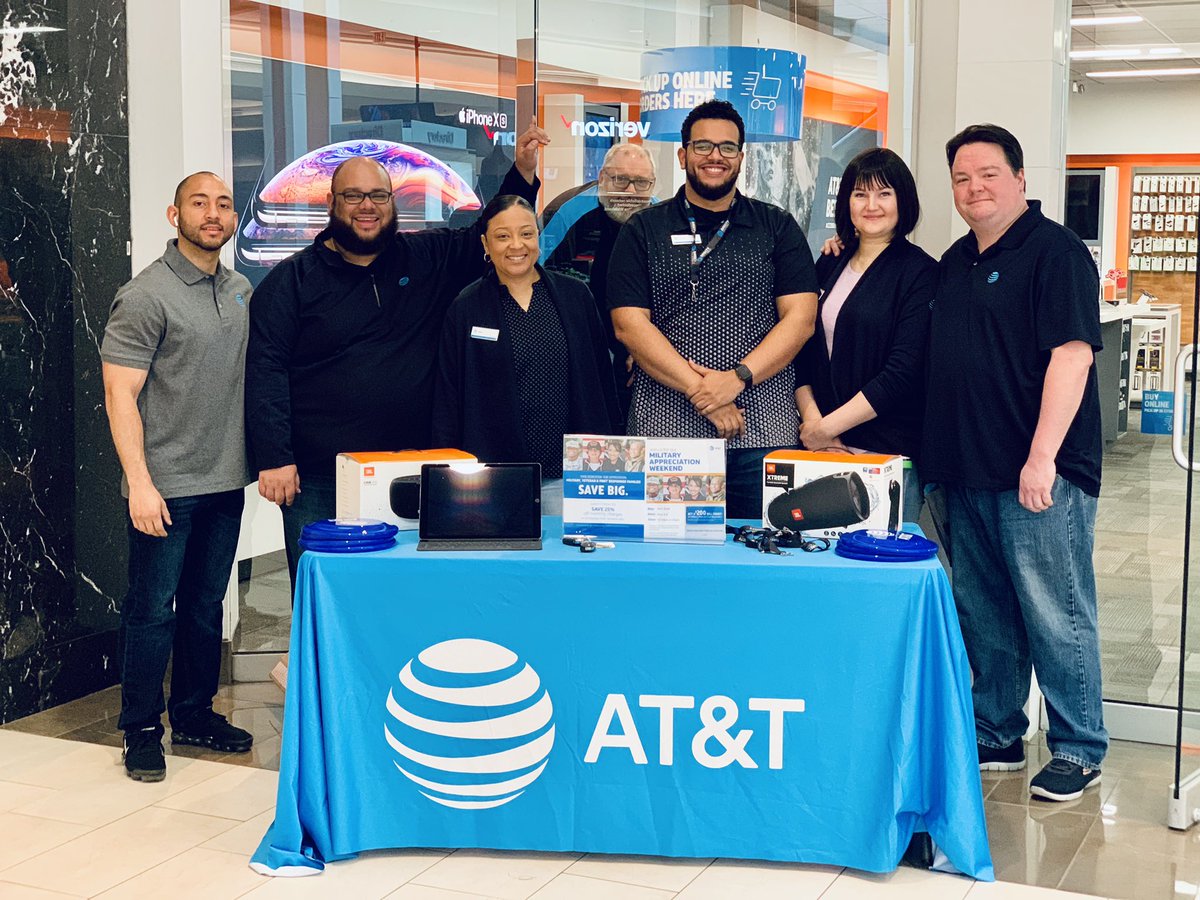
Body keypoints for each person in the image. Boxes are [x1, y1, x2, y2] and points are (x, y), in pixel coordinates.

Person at [246, 120, 548, 590]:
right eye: (353, 196)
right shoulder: (290, 283)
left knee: (404, 593)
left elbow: (480, 239)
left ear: (392, 202)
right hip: (321, 476)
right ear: (331, 203)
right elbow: (264, 371)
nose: (367, 207)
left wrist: (522, 173)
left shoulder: (422, 258)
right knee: (326, 592)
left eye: (378, 196)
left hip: (412, 469)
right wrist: (274, 457)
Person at [923, 124, 1107, 802]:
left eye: (989, 174)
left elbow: (1073, 356)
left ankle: (1080, 746)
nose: (975, 188)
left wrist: (1041, 459)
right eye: (963, 178)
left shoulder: (1053, 251)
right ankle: (996, 730)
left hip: (1039, 474)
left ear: (1020, 179)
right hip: (968, 469)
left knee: (1056, 611)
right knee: (987, 611)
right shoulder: (955, 261)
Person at [101, 172, 254, 782]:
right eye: (199, 203)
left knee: (203, 607)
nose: (212, 214)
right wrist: (138, 482)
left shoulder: (241, 288)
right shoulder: (145, 295)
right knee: (151, 611)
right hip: (163, 489)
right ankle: (140, 729)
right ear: (174, 214)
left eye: (222, 204)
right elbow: (119, 394)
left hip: (224, 482)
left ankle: (194, 712)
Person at [609, 100, 819, 520]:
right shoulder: (643, 229)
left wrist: (737, 379)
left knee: (766, 563)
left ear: (741, 157)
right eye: (703, 146)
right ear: (683, 154)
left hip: (762, 429)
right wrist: (704, 393)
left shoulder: (776, 227)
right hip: (666, 435)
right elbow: (629, 326)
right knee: (669, 567)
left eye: (727, 147)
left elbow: (801, 320)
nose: (715, 157)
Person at [431, 195, 619, 515]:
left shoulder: (576, 297)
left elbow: (602, 383)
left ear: (538, 238)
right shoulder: (466, 307)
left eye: (526, 233)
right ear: (485, 244)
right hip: (496, 480)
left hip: (571, 478)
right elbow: (448, 400)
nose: (517, 245)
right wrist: (446, 474)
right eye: (503, 236)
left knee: (570, 564)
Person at [793, 148, 936, 517]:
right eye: (860, 194)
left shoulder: (920, 273)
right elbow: (804, 351)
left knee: (879, 565)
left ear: (903, 201)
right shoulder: (829, 260)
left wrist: (827, 428)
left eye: (884, 194)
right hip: (820, 448)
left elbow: (902, 372)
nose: (872, 205)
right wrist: (813, 424)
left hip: (884, 452)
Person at [545, 144, 658, 417]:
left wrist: (649, 350)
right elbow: (537, 278)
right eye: (621, 180)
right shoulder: (567, 212)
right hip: (575, 345)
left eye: (641, 183)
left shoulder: (659, 219)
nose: (631, 192)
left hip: (638, 348)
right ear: (602, 178)